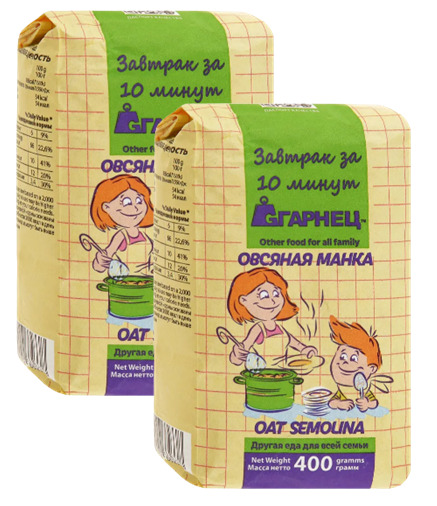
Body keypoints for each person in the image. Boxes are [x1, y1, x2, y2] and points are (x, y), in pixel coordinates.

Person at [227, 267, 317, 366]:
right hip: (262, 372)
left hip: (282, 371)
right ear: (244, 300)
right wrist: (236, 355)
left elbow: (294, 343)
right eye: (264, 295)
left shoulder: (280, 328)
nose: (273, 300)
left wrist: (305, 349)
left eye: (276, 294)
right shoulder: (258, 329)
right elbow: (241, 352)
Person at [90, 174, 153, 273]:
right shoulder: (121, 236)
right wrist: (100, 261)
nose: (135, 208)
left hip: (147, 280)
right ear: (106, 207)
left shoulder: (146, 236)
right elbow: (100, 266)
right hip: (125, 280)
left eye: (139, 201)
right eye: (127, 202)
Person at [328, 315, 382, 412]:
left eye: (354, 358)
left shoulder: (365, 390)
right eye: (342, 356)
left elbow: (374, 403)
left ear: (372, 368)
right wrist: (339, 404)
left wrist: (367, 404)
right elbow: (331, 403)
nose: (345, 362)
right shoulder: (342, 390)